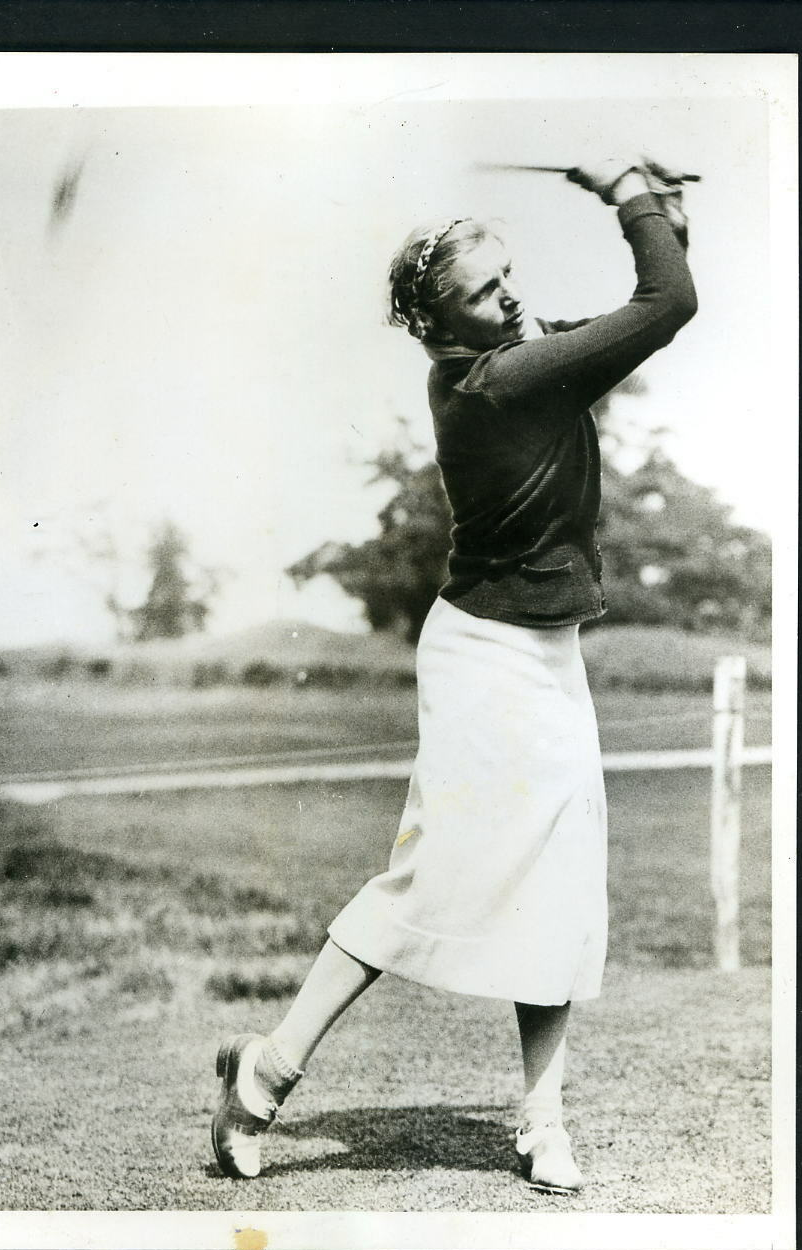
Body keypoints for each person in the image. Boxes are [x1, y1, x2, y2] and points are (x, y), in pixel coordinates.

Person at [211, 154, 697, 1194]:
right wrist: (627, 194)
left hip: (543, 651)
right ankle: (265, 1072)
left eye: (507, 273)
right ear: (442, 327)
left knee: (562, 878)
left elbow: (644, 305)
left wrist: (667, 214)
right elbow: (667, 303)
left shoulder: (515, 353)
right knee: (425, 880)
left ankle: (542, 1118)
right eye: (484, 291)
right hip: (483, 659)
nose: (510, 295)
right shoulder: (501, 379)